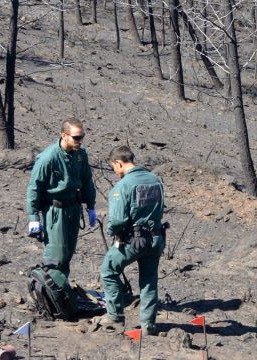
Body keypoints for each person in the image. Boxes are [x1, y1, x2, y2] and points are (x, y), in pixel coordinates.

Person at [100, 145, 165, 334]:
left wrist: (112, 230)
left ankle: (114, 316)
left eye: (114, 167)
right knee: (149, 280)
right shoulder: (155, 180)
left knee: (108, 270)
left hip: (133, 241)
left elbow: (118, 220)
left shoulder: (123, 186)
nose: (115, 171)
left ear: (119, 163)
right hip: (156, 239)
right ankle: (148, 324)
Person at [26, 118, 97, 279]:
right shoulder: (48, 158)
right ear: (64, 136)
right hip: (55, 211)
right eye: (76, 137)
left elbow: (87, 181)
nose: (80, 141)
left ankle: (61, 292)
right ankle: (50, 293)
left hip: (73, 208)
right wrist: (33, 217)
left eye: (82, 136)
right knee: (55, 256)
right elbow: (34, 188)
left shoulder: (80, 154)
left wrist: (91, 207)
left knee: (67, 254)